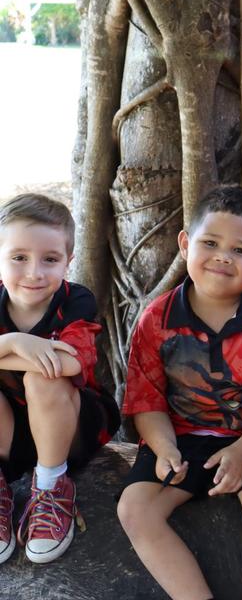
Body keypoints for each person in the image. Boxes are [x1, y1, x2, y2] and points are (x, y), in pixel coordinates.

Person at [116, 185, 242, 600]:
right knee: (135, 509)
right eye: (210, 243)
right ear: (185, 245)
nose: (223, 256)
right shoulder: (157, 320)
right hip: (183, 438)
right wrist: (164, 448)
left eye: (240, 250)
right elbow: (145, 400)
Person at [0, 194, 120, 564]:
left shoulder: (75, 300)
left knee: (44, 379)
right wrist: (13, 340)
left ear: (68, 262)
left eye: (50, 259)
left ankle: (52, 487)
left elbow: (69, 365)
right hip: (13, 439)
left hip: (72, 428)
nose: (34, 272)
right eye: (19, 257)